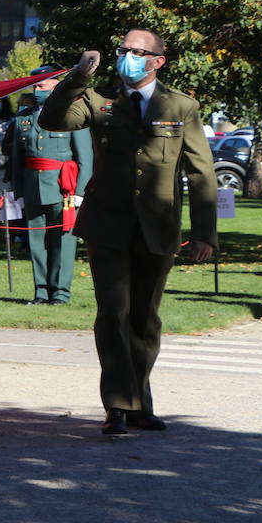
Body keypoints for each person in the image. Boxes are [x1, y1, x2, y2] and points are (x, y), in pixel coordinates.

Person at [38, 30, 215, 435]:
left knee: (145, 320)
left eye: (138, 52)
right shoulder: (99, 102)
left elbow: (202, 172)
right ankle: (117, 404)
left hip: (158, 227)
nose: (128, 57)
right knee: (112, 315)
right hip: (108, 225)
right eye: (124, 50)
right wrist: (78, 77)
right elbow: (52, 119)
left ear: (158, 61)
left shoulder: (180, 106)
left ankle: (139, 403)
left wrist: (204, 233)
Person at [8, 66, 93, 305]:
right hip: (33, 186)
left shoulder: (72, 114)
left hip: (62, 188)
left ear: (56, 86)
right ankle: (41, 291)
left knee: (63, 241)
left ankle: (60, 292)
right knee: (36, 242)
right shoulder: (23, 117)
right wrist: (19, 191)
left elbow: (84, 157)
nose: (36, 90)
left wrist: (80, 193)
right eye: (34, 85)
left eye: (41, 85)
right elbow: (17, 158)